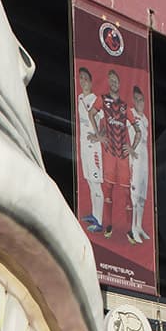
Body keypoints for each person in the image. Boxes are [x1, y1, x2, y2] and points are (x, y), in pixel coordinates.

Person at [99, 69, 138, 239]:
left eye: (116, 81)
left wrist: (132, 148)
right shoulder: (103, 101)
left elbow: (138, 131)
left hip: (122, 156)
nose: (114, 83)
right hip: (109, 154)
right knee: (107, 190)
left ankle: (129, 230)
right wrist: (99, 135)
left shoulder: (125, 107)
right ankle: (108, 226)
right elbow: (93, 115)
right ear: (108, 82)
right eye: (112, 80)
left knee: (126, 193)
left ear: (120, 84)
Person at [77, 66, 104, 233]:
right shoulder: (80, 97)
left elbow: (106, 123)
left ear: (91, 81)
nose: (83, 82)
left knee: (96, 184)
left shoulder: (96, 100)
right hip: (83, 146)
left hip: (93, 148)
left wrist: (98, 136)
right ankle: (94, 215)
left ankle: (99, 222)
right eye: (80, 78)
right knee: (89, 181)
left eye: (86, 79)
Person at [128, 86, 151, 244]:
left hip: (145, 158)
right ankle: (133, 228)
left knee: (142, 195)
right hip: (135, 157)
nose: (139, 102)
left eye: (141, 99)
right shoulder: (132, 115)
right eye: (136, 99)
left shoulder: (145, 120)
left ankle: (139, 225)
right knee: (135, 195)